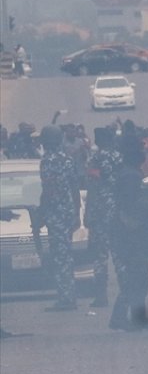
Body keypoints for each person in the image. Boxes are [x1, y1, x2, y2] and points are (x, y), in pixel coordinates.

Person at [108, 133, 148, 331]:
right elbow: (130, 206)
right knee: (136, 279)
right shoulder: (131, 176)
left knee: (138, 278)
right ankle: (122, 318)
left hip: (131, 237)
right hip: (132, 238)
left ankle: (135, 318)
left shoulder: (127, 173)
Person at [38, 125, 81, 311]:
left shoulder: (48, 161)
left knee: (60, 256)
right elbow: (75, 188)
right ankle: (69, 295)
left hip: (55, 213)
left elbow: (48, 189)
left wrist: (42, 211)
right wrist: (77, 212)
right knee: (66, 255)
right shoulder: (67, 160)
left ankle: (66, 298)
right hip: (67, 212)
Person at [85, 127, 122, 308]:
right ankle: (126, 293)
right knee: (120, 254)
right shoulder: (119, 157)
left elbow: (92, 187)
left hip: (100, 213)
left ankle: (101, 296)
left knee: (100, 256)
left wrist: (88, 214)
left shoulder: (95, 159)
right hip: (118, 213)